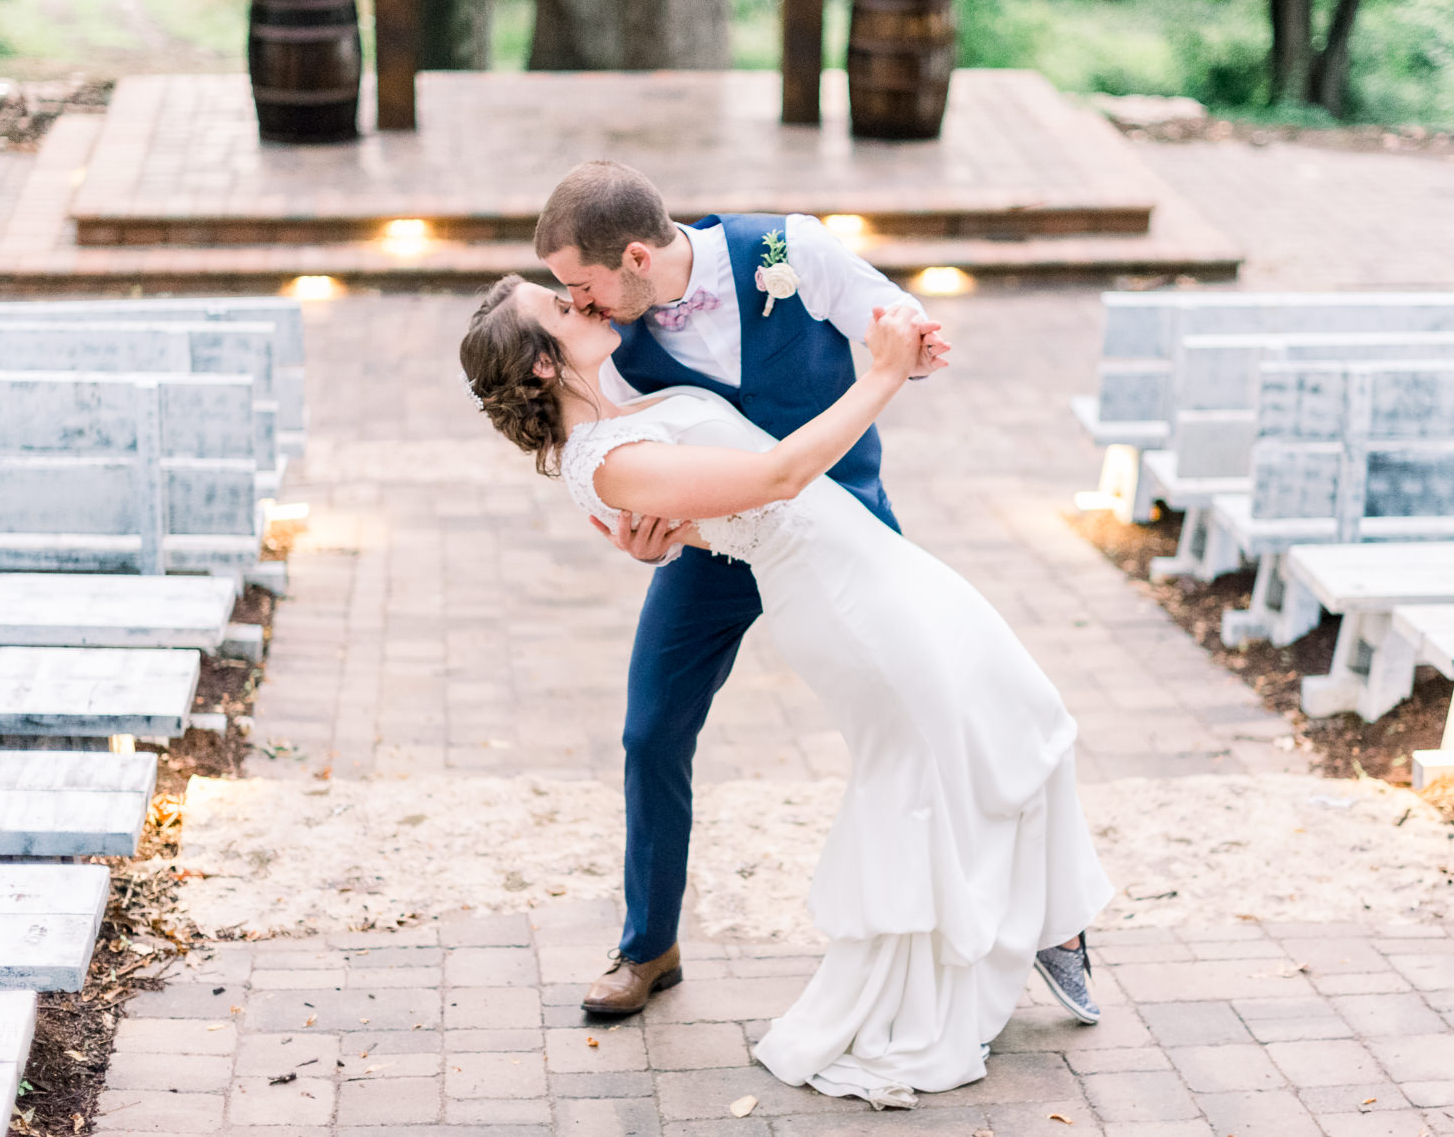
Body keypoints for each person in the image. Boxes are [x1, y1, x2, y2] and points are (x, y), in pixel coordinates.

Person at [456, 166, 1112, 1107]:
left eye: (581, 284)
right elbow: (652, 470)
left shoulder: (788, 250)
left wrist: (912, 349)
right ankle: (651, 945)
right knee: (654, 730)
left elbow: (900, 326)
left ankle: (1045, 923)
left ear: (634, 256)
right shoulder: (613, 342)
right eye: (567, 299)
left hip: (846, 525)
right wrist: (654, 534)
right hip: (736, 538)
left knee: (995, 715)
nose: (579, 300)